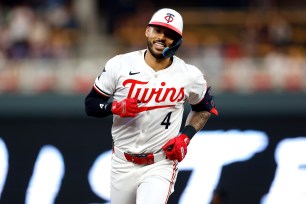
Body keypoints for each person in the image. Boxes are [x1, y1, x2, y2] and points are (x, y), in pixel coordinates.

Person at [85, 8, 218, 204]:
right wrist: (114, 107)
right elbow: (91, 104)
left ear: (177, 41)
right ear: (148, 31)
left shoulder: (189, 75)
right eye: (158, 30)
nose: (162, 37)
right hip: (122, 162)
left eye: (169, 34)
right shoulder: (120, 64)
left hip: (160, 162)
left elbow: (205, 108)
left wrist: (185, 136)